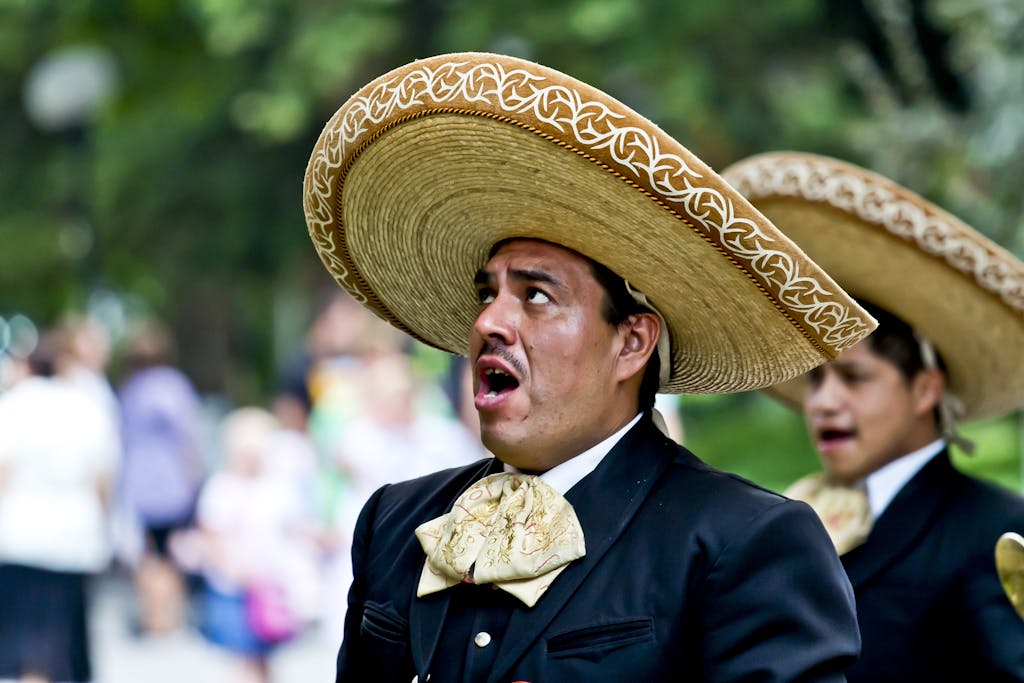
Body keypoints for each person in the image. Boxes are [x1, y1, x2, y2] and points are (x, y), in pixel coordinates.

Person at [303, 53, 877, 682]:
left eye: (536, 296)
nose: (490, 322)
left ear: (632, 343)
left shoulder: (741, 543)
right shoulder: (396, 521)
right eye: (485, 294)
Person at [723, 151, 1024, 682]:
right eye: (816, 378)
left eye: (855, 378)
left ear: (926, 389)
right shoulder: (793, 515)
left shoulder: (993, 527)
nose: (823, 402)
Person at [0, 331, 120, 683]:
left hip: (21, 535)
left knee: (27, 647)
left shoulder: (14, 404)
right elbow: (103, 481)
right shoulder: (87, 407)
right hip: (75, 540)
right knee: (64, 646)